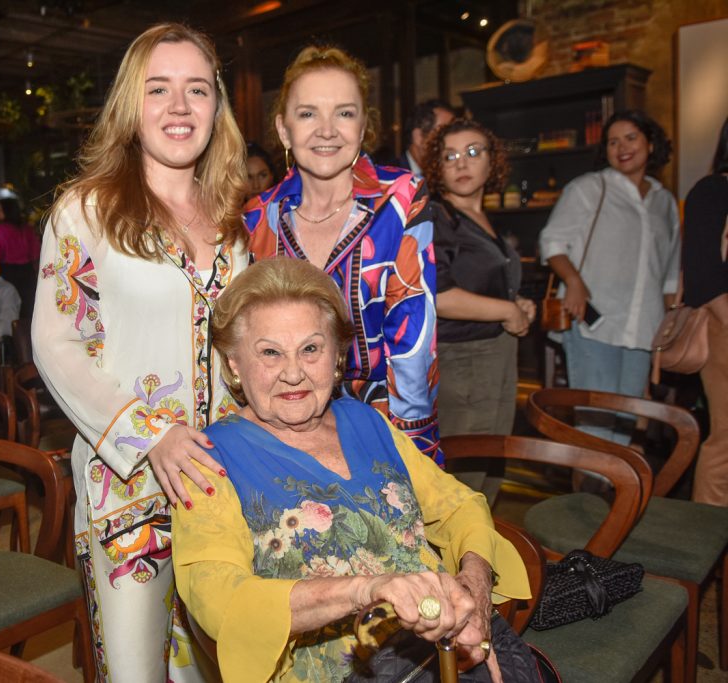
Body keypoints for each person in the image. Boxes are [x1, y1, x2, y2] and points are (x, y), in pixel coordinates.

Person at [172, 258, 531, 682]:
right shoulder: (210, 459)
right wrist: (368, 589)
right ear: (233, 363)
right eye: (269, 352)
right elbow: (219, 599)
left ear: (337, 354)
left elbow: (459, 506)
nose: (293, 373)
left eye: (311, 349)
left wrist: (474, 594)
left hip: (446, 646)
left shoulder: (368, 422)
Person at [31, 23, 248, 681]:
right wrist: (150, 434)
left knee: (226, 660)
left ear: (218, 107)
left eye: (197, 90)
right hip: (129, 486)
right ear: (132, 103)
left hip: (229, 482)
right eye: (159, 89)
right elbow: (54, 342)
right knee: (136, 669)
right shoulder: (86, 211)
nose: (179, 107)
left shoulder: (237, 217)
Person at [245, 46, 442, 464]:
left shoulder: (401, 199)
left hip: (384, 433)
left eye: (344, 113)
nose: (327, 130)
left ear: (363, 125)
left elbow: (414, 343)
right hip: (280, 435)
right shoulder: (257, 217)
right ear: (283, 129)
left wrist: (408, 453)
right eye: (308, 113)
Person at [539, 110, 679, 444]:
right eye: (613, 141)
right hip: (592, 321)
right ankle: (589, 495)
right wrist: (574, 281)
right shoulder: (589, 188)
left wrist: (673, 319)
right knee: (594, 425)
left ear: (650, 142)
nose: (622, 147)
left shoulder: (665, 201)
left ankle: (620, 495)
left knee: (627, 420)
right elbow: (552, 242)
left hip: (645, 327)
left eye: (630, 138)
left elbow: (670, 269)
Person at [422, 119, 534, 438]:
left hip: (497, 352)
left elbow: (480, 281)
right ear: (438, 168)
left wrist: (516, 302)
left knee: (492, 460)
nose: (462, 163)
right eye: (450, 156)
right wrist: (507, 311)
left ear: (492, 161)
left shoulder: (480, 218)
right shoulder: (436, 217)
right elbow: (438, 295)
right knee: (466, 472)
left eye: (473, 151)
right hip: (462, 358)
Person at [685, 116, 728, 506]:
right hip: (724, 325)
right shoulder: (713, 191)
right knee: (726, 443)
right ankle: (709, 539)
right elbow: (702, 276)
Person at [0, 197, 41, 320]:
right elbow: (36, 253)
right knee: (27, 308)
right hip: (27, 273)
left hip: (8, 273)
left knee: (8, 308)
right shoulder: (27, 229)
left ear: (7, 210)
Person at [389, 99, 456, 175]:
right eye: (443, 133)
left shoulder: (447, 175)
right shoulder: (389, 179)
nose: (452, 141)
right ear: (418, 137)